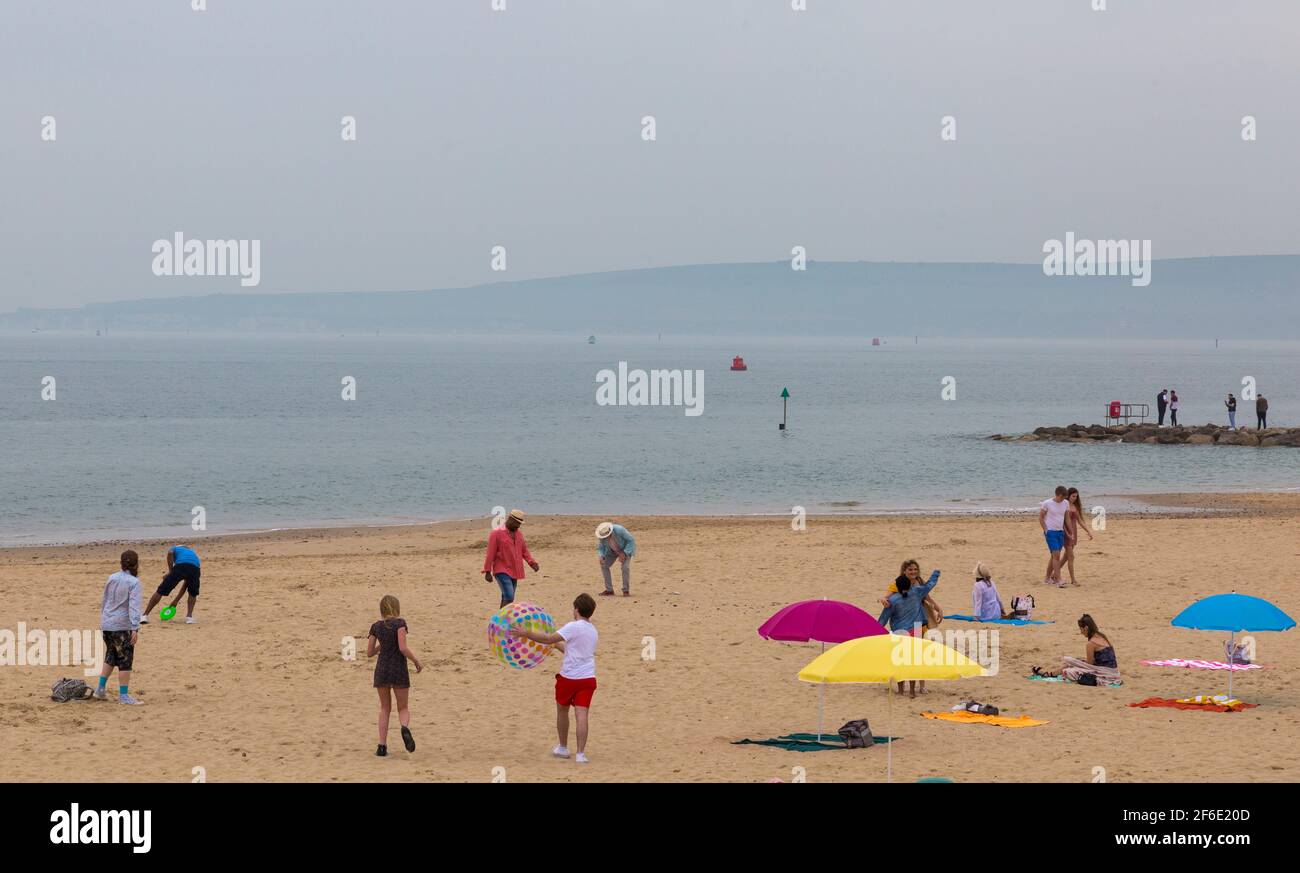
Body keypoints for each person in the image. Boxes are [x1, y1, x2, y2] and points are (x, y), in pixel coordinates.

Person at [510, 593, 599, 763]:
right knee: (582, 715)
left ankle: (563, 748)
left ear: (577, 609)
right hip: (588, 678)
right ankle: (581, 754)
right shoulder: (593, 631)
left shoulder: (573, 626)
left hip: (569, 678)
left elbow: (549, 637)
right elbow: (570, 650)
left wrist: (526, 633)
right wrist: (554, 644)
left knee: (562, 711)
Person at [367, 594, 422, 757]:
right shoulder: (400, 623)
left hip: (382, 669)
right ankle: (404, 727)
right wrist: (416, 660)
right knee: (403, 707)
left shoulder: (375, 627)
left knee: (384, 708)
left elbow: (369, 652)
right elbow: (402, 648)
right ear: (396, 608)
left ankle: (381, 746)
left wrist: (381, 646)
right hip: (398, 668)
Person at [878, 566, 940, 698]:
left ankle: (901, 690)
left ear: (897, 588)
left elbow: (883, 619)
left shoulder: (893, 600)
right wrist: (936, 573)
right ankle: (912, 691)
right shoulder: (916, 592)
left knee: (900, 661)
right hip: (917, 629)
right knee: (914, 662)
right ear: (910, 585)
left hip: (900, 631)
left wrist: (875, 632)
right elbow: (930, 584)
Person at [94, 550, 144, 704]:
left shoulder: (112, 577)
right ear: (136, 564)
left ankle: (100, 689)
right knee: (124, 660)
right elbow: (134, 607)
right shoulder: (134, 582)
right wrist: (135, 627)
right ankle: (124, 695)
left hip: (107, 623)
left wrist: (104, 618)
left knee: (110, 656)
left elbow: (105, 600)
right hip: (121, 626)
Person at [1033, 614, 1120, 685]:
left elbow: (1090, 664)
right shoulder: (1102, 636)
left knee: (1068, 670)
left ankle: (1049, 674)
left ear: (1086, 628)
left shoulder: (1091, 643)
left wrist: (1079, 662)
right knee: (1074, 662)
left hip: (1105, 673)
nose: (1081, 632)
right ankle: (1049, 674)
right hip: (1114, 671)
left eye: (1081, 629)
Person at [482, 509, 540, 608]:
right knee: (509, 595)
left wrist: (532, 563)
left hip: (515, 570)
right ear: (510, 519)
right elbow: (490, 553)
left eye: (520, 524)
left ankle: (500, 619)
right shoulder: (496, 534)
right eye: (517, 523)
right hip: (501, 570)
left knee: (508, 597)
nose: (518, 526)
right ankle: (501, 620)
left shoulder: (519, 534)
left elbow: (524, 551)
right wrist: (487, 571)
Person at [140, 545, 201, 624]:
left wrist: (170, 571)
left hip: (180, 566)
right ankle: (189, 617)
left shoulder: (175, 548)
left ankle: (144, 615)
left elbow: (170, 552)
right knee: (193, 593)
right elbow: (186, 585)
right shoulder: (192, 553)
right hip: (195, 568)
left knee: (160, 591)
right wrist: (175, 601)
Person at [1062, 487, 1094, 586]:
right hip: (1066, 532)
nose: (1075, 498)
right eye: (1073, 496)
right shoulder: (1064, 505)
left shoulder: (1075, 506)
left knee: (1066, 557)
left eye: (1076, 496)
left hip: (1074, 533)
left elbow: (1079, 521)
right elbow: (1061, 521)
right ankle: (1073, 580)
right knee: (1071, 557)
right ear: (1068, 495)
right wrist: (1067, 533)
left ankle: (1054, 573)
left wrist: (1088, 531)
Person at [1039, 486, 1069, 586]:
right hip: (1050, 532)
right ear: (1058, 495)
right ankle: (1058, 579)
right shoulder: (1047, 503)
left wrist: (1070, 531)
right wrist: (1046, 530)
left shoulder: (1065, 503)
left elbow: (1066, 518)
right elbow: (1041, 518)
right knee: (1056, 555)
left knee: (1053, 557)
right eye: (1062, 497)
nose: (1063, 500)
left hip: (1060, 532)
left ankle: (1047, 578)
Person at [595, 521, 635, 597]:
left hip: (625, 549)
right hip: (611, 551)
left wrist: (625, 553)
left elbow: (631, 540)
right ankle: (609, 590)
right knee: (604, 565)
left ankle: (626, 591)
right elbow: (601, 548)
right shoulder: (602, 536)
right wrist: (601, 556)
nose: (605, 538)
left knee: (625, 568)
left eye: (607, 535)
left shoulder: (620, 530)